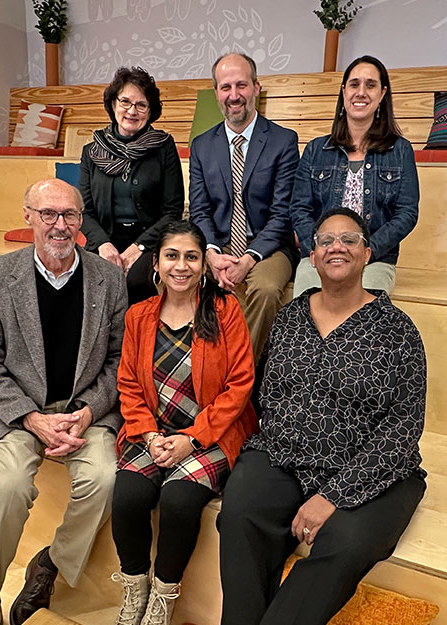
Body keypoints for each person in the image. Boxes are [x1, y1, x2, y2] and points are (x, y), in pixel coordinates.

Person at [219, 207, 426, 625]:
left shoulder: (397, 330)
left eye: (349, 239)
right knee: (240, 514)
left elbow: (403, 426)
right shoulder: (290, 318)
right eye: (326, 240)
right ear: (311, 257)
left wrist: (333, 494)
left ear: (368, 254)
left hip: (370, 469)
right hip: (285, 455)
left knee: (345, 543)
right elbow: (270, 395)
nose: (337, 247)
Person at [0, 179, 127, 625]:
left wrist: (90, 412)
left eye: (69, 215)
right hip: (19, 413)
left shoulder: (110, 278)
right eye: (48, 214)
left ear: (81, 221)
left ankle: (50, 564)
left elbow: (118, 360)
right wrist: (32, 417)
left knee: (107, 479)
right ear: (28, 216)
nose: (60, 225)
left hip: (85, 412)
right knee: (8, 486)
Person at [110, 220, 258, 625]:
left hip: (209, 437)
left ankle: (162, 599)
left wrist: (191, 440)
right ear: (155, 262)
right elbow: (128, 385)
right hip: (153, 434)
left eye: (192, 256)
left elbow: (240, 385)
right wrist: (150, 435)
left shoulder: (225, 311)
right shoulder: (139, 316)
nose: (182, 266)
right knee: (126, 496)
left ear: (204, 264)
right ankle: (134, 591)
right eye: (172, 256)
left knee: (178, 500)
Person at [189, 53, 299, 363]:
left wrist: (248, 260)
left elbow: (282, 214)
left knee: (264, 290)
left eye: (241, 85)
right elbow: (199, 210)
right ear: (216, 93)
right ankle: (196, 368)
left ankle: (239, 378)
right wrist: (210, 252)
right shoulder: (201, 145)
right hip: (218, 242)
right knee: (175, 275)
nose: (234, 95)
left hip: (268, 245)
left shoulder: (282, 141)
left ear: (256, 88)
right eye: (226, 87)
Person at [290, 55, 420, 297]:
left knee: (363, 316)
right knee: (307, 308)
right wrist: (319, 250)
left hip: (375, 259)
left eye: (370, 85)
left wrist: (366, 250)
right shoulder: (316, 149)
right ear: (343, 91)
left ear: (382, 94)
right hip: (320, 256)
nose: (361, 92)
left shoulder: (400, 150)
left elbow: (406, 214)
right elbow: (299, 209)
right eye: (354, 84)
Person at [79, 65, 184, 305]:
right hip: (104, 239)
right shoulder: (92, 152)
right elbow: (84, 211)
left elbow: (172, 212)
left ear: (150, 110)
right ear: (113, 104)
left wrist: (139, 247)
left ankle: (135, 342)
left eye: (141, 105)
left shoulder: (164, 147)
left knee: (135, 281)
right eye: (125, 102)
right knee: (90, 279)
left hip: (150, 240)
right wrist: (103, 245)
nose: (132, 111)